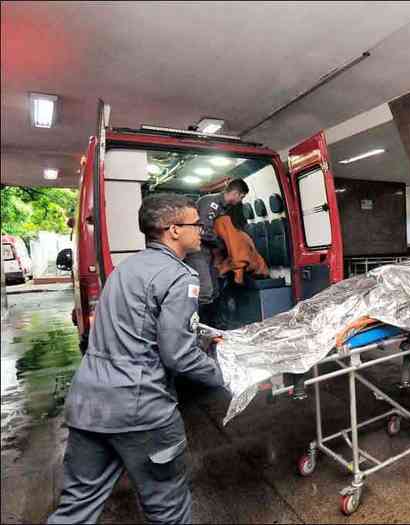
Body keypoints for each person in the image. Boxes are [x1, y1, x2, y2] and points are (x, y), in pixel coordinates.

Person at [48, 194, 225, 524]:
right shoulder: (181, 277)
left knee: (76, 507)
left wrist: (200, 334)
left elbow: (134, 327)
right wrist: (225, 375)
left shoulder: (124, 268)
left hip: (88, 405)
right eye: (195, 224)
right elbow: (178, 356)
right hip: (140, 410)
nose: (201, 229)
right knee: (168, 506)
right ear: (173, 230)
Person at [184, 178, 249, 318]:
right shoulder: (212, 203)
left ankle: (211, 326)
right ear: (236, 193)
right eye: (242, 197)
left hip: (209, 252)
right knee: (205, 291)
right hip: (197, 251)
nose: (240, 201)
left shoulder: (225, 208)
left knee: (214, 291)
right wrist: (223, 242)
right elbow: (202, 230)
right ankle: (192, 327)